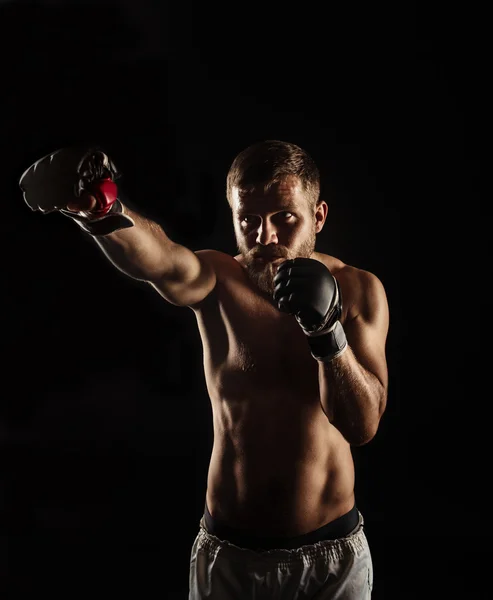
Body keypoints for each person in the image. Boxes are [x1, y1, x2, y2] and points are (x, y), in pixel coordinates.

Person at [19, 140, 389, 599]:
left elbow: (363, 424)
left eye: (285, 218)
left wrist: (327, 332)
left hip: (330, 562)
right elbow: (161, 261)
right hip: (230, 558)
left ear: (318, 217)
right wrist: (100, 209)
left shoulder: (358, 291)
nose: (265, 237)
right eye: (248, 220)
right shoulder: (218, 281)